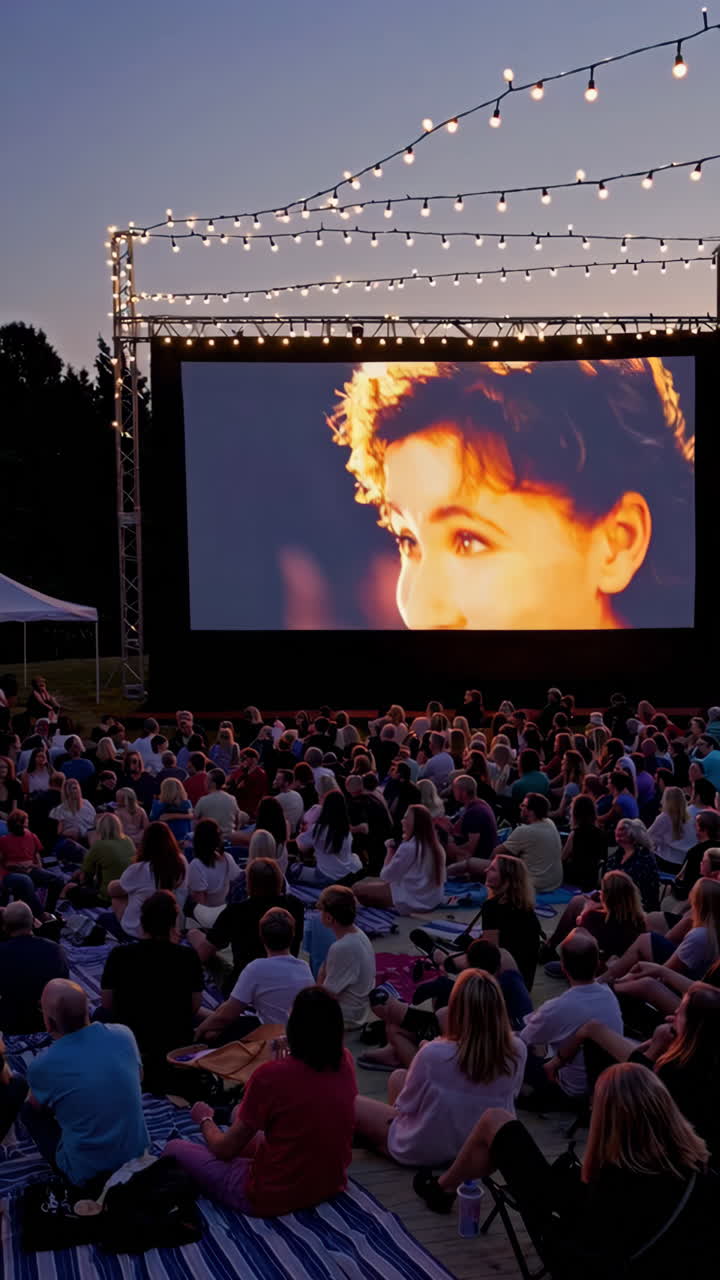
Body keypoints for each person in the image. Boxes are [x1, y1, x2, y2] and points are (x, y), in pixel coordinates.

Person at [415, 1066, 715, 1280]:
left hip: (577, 1253)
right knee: (500, 1125)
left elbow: (591, 1239)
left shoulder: (618, 1180)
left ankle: (441, 1188)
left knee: (496, 1122)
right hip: (627, 1242)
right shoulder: (697, 1170)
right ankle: (443, 1188)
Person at [165, 986, 357, 1216]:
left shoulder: (270, 1076)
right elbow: (299, 1100)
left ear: (294, 1028)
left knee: (174, 1148)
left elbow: (224, 1150)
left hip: (267, 1195)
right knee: (239, 1114)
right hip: (328, 1183)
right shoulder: (345, 1060)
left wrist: (205, 1119)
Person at [354, 969, 527, 1167]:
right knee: (398, 1077)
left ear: (456, 1009)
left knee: (352, 1103)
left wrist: (427, 1051)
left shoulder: (435, 1054)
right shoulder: (517, 1050)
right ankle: (391, 1138)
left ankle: (393, 1142)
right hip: (474, 1146)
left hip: (425, 1150)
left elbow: (406, 1105)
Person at [547, 982, 720, 1166]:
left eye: (681, 1011)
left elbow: (641, 1083)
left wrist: (654, 1049)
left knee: (595, 1036)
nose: (675, 1012)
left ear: (694, 1027)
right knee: (595, 1031)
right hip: (692, 1155)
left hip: (669, 1156)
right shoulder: (702, 1059)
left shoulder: (677, 1071)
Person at [22, 980, 149, 1192]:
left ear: (49, 1022)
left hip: (86, 1174)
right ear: (87, 1009)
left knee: (29, 1111)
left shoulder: (43, 1065)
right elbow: (140, 1077)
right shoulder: (123, 1034)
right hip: (138, 1155)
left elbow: (37, 1107)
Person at [100, 891, 204, 1093]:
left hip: (131, 1045)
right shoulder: (188, 957)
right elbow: (195, 1005)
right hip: (174, 1045)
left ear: (142, 921)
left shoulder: (120, 955)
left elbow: (107, 1003)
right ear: (173, 923)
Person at [520, 930, 622, 1106]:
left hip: (572, 1089)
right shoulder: (608, 994)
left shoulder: (557, 1007)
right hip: (606, 1082)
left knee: (515, 1049)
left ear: (563, 966)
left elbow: (524, 1039)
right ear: (597, 964)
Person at [194, 907, 314, 1043]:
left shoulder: (256, 968)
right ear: (293, 935)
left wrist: (200, 1029)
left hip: (272, 1041)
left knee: (210, 1033)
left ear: (261, 936)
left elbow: (226, 1015)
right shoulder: (304, 968)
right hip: (296, 1040)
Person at [188, 857, 304, 981]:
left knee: (194, 935)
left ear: (249, 884)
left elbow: (205, 952)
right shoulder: (295, 906)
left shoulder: (237, 912)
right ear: (279, 881)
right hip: (286, 976)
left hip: (244, 983)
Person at [602, 877, 720, 994]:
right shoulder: (710, 931)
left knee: (646, 939)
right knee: (649, 939)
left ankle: (607, 981)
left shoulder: (699, 935)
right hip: (691, 979)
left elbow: (668, 969)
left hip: (682, 984)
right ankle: (612, 976)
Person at [103, 821, 188, 941]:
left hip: (141, 931)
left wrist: (119, 882)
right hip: (173, 927)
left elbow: (112, 891)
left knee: (118, 898)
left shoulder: (140, 869)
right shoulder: (182, 862)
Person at [354, 803, 446, 914]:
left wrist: (390, 850)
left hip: (413, 900)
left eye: (406, 818)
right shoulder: (437, 846)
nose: (402, 821)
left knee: (357, 888)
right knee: (371, 883)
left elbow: (385, 876)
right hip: (432, 899)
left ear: (414, 823)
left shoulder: (409, 847)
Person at [0, 902, 69, 1033]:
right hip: (46, 1020)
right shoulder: (55, 950)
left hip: (12, 1023)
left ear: (5, 927)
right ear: (33, 921)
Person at [317, 885, 376, 1028]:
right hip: (358, 1010)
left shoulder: (342, 947)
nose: (319, 913)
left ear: (330, 917)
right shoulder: (358, 933)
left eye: (321, 910)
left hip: (347, 1018)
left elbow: (326, 995)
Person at [490, 793, 563, 891]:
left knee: (475, 864)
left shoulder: (524, 831)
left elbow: (495, 855)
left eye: (523, 805)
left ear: (531, 811)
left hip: (534, 884)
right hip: (554, 882)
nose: (520, 808)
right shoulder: (549, 823)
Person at [61, 811, 135, 906]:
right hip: (127, 892)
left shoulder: (100, 845)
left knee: (69, 888)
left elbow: (85, 876)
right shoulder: (128, 840)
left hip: (107, 896)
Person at [293, 790, 362, 886]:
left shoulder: (318, 830)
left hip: (326, 877)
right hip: (346, 874)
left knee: (293, 870)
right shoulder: (347, 830)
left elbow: (301, 847)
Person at [0, 809, 64, 913]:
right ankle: (40, 914)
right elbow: (3, 863)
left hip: (30, 869)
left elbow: (37, 855)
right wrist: (16, 865)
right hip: (11, 872)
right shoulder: (3, 840)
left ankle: (49, 911)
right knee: (26, 880)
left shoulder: (31, 836)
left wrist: (37, 866)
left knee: (58, 880)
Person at [187, 818, 242, 927]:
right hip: (224, 915)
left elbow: (200, 908)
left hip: (208, 920)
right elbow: (238, 880)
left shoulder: (196, 865)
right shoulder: (227, 858)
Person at [441, 774, 498, 864]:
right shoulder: (478, 804)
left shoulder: (475, 812)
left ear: (463, 792)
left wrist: (451, 848)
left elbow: (470, 848)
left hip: (480, 857)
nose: (452, 791)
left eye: (455, 789)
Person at [606, 818, 660, 911]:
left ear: (634, 835)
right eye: (618, 829)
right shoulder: (618, 854)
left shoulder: (644, 857)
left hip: (635, 907)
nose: (618, 832)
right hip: (614, 901)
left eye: (623, 830)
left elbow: (634, 890)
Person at [560, 793, 607, 890]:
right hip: (592, 877)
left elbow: (562, 858)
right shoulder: (601, 833)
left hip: (575, 877)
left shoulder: (575, 834)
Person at [673, 809, 720, 899]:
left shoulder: (695, 852)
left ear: (704, 829)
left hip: (695, 896)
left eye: (696, 825)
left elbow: (685, 880)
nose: (694, 827)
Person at [647, 786, 696, 871]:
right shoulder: (690, 816)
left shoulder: (664, 818)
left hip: (667, 861)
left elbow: (647, 837)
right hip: (685, 861)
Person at [149, 776, 193, 841]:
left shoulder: (158, 805)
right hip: (184, 838)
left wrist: (171, 816)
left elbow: (152, 820)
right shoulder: (186, 804)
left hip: (164, 839)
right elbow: (192, 817)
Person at [228, 748, 268, 817]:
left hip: (251, 810)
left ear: (254, 759)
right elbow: (230, 785)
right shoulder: (239, 771)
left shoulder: (260, 774)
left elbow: (261, 793)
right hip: (238, 808)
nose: (242, 761)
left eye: (245, 758)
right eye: (241, 758)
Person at [272, 768, 304, 836]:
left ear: (286, 783)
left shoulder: (278, 799)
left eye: (278, 779)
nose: (275, 781)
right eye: (275, 778)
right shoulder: (297, 795)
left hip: (282, 834)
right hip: (295, 833)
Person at [0, 755, 23, 820]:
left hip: (10, 821)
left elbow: (15, 809)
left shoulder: (15, 784)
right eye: (0, 767)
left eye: (5, 767)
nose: (3, 769)